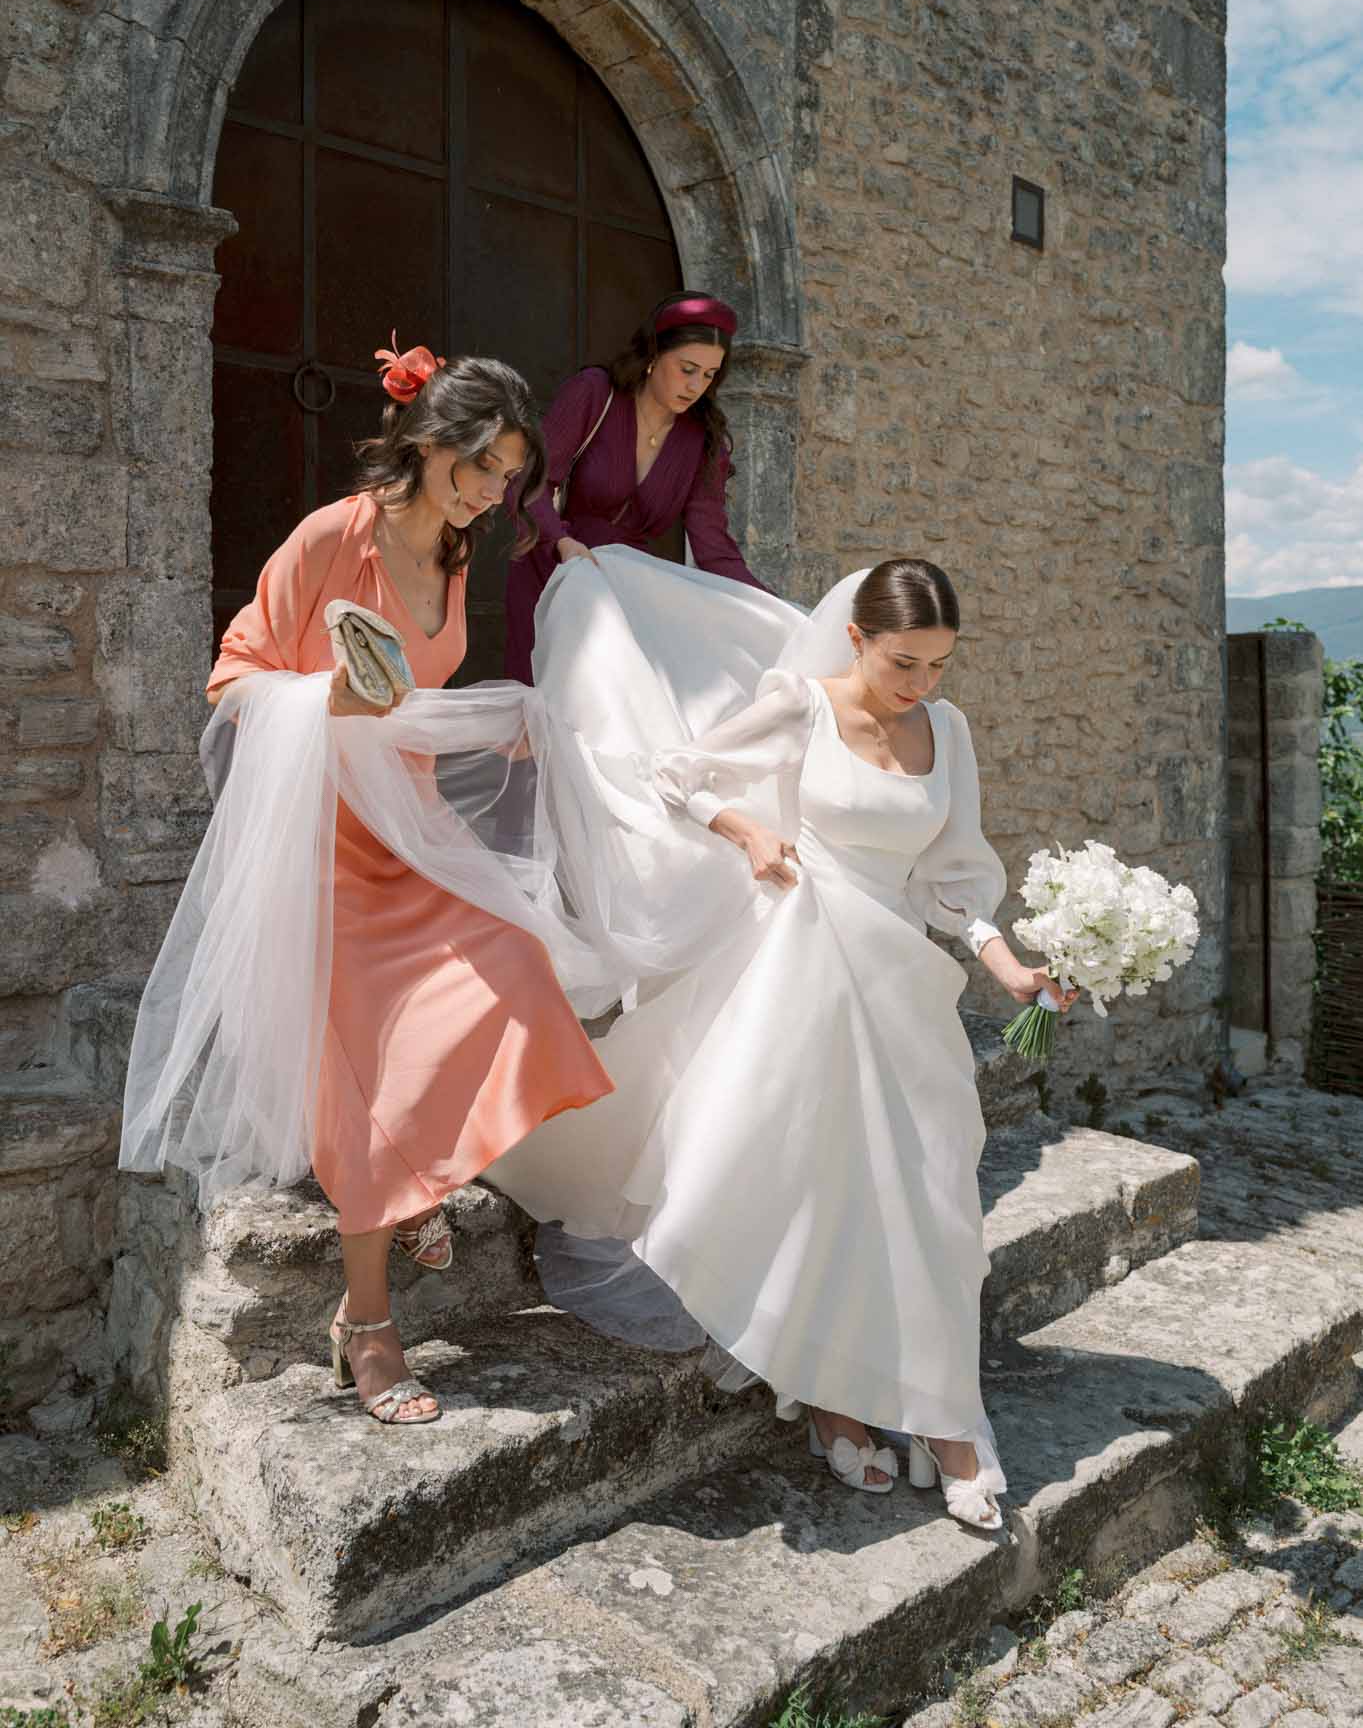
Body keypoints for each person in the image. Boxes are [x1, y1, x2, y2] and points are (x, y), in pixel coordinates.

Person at [489, 553, 1076, 1523]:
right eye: (902, 663)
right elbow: (678, 774)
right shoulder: (799, 705)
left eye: (937, 665)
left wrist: (1010, 966)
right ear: (856, 638)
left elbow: (954, 880)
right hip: (805, 963)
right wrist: (748, 833)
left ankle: (946, 1418)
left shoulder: (948, 732)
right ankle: (834, 1399)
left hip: (902, 985)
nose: (920, 685)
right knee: (817, 1188)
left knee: (933, 1196)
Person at [120, 341, 614, 1427]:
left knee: (516, 967)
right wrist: (323, 703)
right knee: (371, 1053)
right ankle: (368, 1318)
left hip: (411, 829)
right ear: (429, 444)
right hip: (320, 844)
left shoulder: (453, 550)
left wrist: (496, 729)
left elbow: (412, 697)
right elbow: (234, 678)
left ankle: (422, 1181)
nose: (494, 492)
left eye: (507, 476)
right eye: (481, 466)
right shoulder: (326, 539)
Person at [503, 290, 769, 681]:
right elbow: (529, 483)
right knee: (539, 715)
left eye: (710, 375)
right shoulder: (595, 393)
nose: (697, 385)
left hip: (625, 596)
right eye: (687, 368)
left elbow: (713, 547)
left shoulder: (703, 439)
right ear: (654, 354)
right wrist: (562, 542)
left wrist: (768, 606)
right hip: (551, 575)